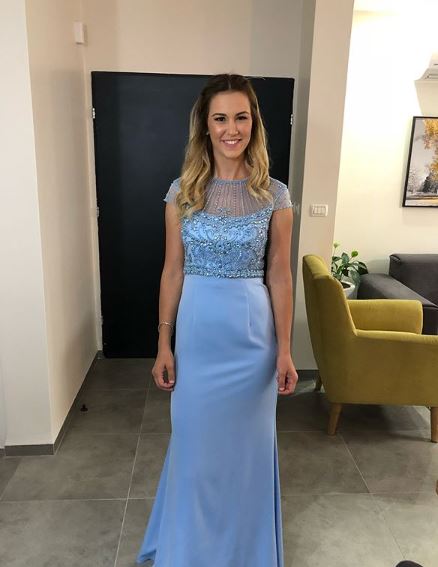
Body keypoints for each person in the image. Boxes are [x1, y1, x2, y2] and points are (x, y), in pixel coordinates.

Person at [136, 73, 298, 566]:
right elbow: (172, 270)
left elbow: (280, 274)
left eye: (241, 117)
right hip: (198, 337)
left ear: (254, 123)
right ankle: (190, 550)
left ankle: (244, 553)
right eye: (221, 118)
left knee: (247, 455)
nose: (232, 129)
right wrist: (164, 344)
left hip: (252, 342)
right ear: (205, 126)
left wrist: (286, 350)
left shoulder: (276, 195)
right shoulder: (182, 192)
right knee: (195, 448)